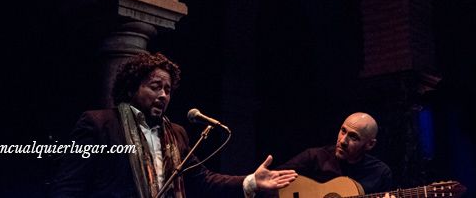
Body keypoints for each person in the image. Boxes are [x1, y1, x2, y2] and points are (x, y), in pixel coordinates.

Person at [51, 52, 296, 197]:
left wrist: (251, 181)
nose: (163, 95)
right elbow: (69, 186)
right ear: (132, 88)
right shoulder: (99, 124)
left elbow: (201, 179)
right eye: (155, 87)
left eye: (168, 90)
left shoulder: (176, 134)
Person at [277, 112, 392, 194]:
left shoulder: (380, 173)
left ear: (370, 144)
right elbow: (271, 183)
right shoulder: (315, 157)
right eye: (343, 131)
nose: (342, 141)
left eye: (353, 137)